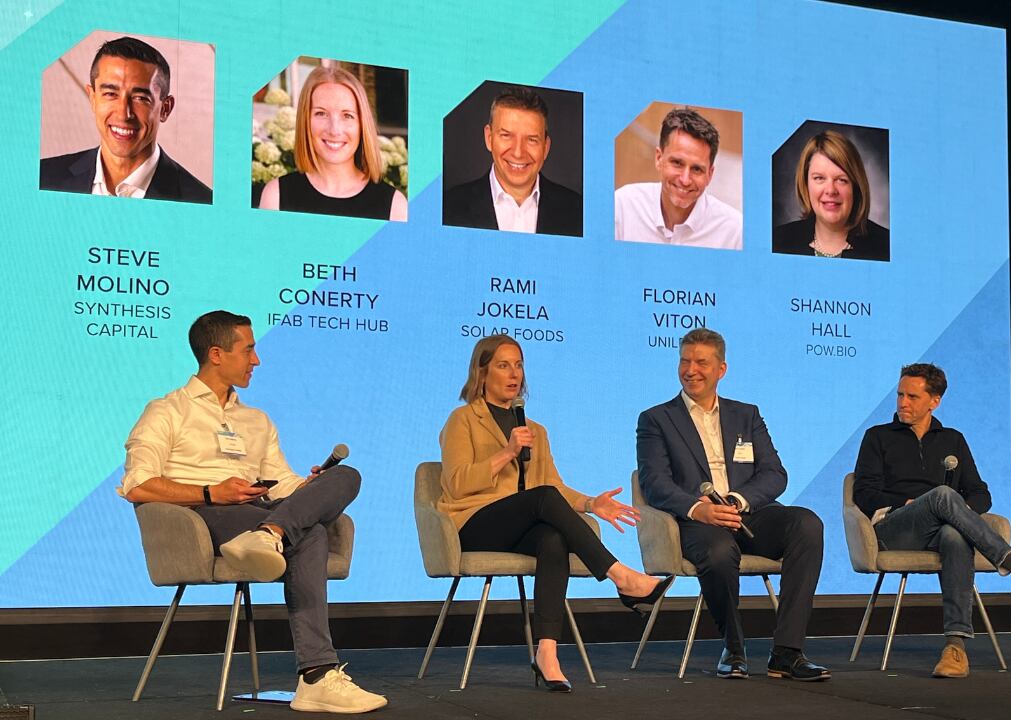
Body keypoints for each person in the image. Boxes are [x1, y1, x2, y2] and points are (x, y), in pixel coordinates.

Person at [120, 311, 386, 713]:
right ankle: (316, 676)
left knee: (347, 476)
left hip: (256, 513)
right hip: (200, 516)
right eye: (249, 350)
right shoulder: (167, 411)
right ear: (216, 354)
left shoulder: (256, 420)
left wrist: (309, 487)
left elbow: (281, 481)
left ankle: (272, 531)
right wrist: (211, 492)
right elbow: (138, 484)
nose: (256, 360)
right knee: (309, 533)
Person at [439, 334, 672, 693]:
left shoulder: (536, 430)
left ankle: (546, 652)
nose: (514, 373)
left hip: (520, 525)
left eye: (519, 365)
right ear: (482, 372)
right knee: (541, 499)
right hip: (473, 522)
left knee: (553, 537)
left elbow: (554, 488)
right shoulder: (463, 420)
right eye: (503, 365)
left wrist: (592, 504)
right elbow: (455, 484)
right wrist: (505, 453)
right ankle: (621, 576)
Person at [636, 328, 828, 681]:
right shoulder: (656, 419)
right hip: (697, 522)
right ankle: (733, 647)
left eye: (701, 362)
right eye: (684, 361)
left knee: (807, 524)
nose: (690, 369)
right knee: (720, 551)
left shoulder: (746, 415)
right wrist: (700, 509)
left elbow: (774, 473)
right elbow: (654, 483)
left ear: (721, 369)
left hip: (747, 513)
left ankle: (786, 652)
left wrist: (738, 501)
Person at [853, 363, 1011, 678]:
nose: (902, 403)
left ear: (934, 401)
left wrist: (958, 512)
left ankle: (955, 648)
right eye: (900, 395)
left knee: (954, 534)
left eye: (912, 397)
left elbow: (980, 493)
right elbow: (863, 494)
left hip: (939, 529)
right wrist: (910, 503)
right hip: (894, 528)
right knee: (943, 495)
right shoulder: (878, 437)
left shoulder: (953, 439)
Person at [39, 36, 212, 204]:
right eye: (110, 94)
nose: (123, 114)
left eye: (140, 98)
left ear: (165, 109)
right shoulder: (43, 177)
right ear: (93, 98)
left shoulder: (201, 201)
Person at [258, 65, 408, 221]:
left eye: (347, 115)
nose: (334, 130)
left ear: (362, 125)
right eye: (321, 113)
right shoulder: (275, 196)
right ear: (305, 121)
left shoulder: (395, 207)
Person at [442, 86, 582, 236]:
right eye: (506, 135)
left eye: (532, 139)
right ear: (489, 139)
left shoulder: (578, 210)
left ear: (546, 147)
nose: (518, 153)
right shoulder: (448, 207)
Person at [615, 107, 742, 250]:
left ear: (710, 175)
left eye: (697, 169)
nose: (685, 180)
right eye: (677, 163)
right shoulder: (621, 207)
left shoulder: (735, 232)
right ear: (659, 158)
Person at [773, 130, 889, 260]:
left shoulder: (887, 246)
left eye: (841, 180)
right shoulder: (778, 240)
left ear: (856, 187)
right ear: (806, 184)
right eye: (819, 178)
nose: (830, 190)